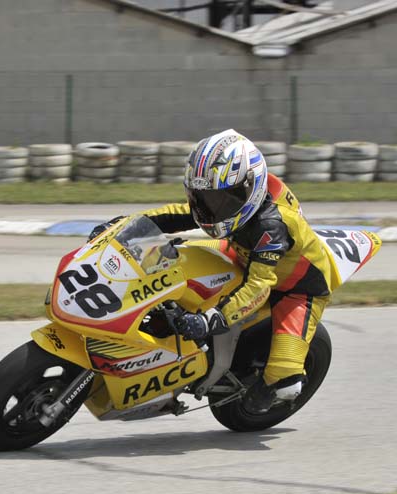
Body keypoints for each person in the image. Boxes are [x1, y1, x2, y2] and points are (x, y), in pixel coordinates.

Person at [101, 129, 342, 414]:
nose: (211, 209)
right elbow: (176, 214)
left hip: (296, 288)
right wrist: (122, 227)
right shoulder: (227, 203)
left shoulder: (270, 225)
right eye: (203, 198)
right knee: (169, 264)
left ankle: (268, 392)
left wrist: (210, 320)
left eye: (221, 201)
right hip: (241, 255)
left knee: (284, 380)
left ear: (249, 189)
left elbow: (260, 285)